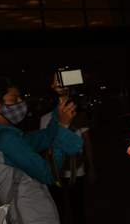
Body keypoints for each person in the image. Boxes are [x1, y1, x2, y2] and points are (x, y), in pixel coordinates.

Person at [0, 76, 82, 223]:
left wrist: (62, 99)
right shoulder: (5, 139)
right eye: (14, 99)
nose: (21, 103)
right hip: (31, 217)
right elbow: (49, 174)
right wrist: (63, 126)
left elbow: (48, 136)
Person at [40, 73, 96, 224]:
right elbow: (45, 148)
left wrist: (91, 167)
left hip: (76, 173)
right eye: (57, 84)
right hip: (55, 174)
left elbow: (87, 144)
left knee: (78, 210)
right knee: (58, 211)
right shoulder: (45, 119)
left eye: (65, 86)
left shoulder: (79, 116)